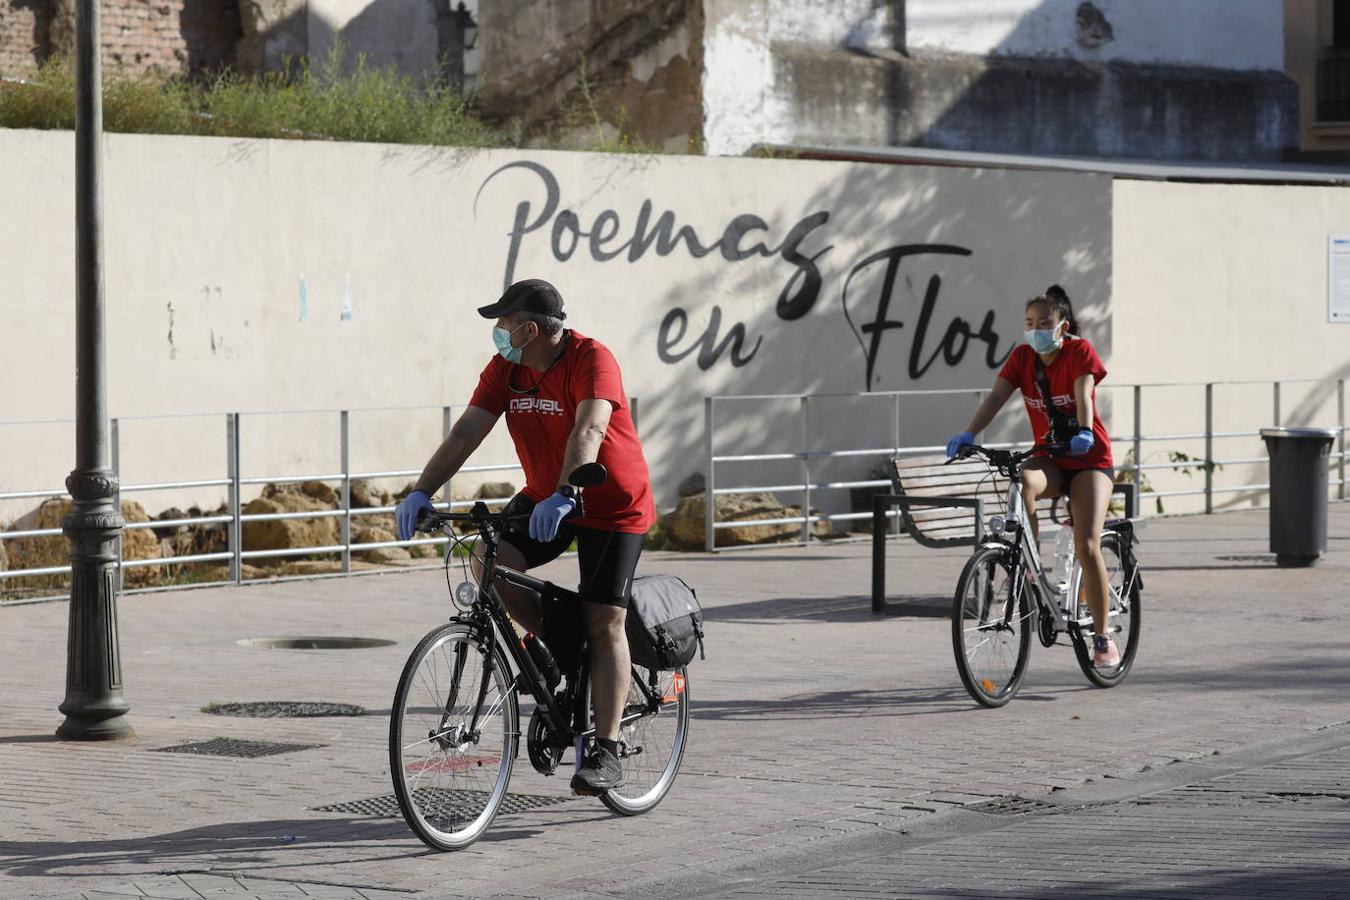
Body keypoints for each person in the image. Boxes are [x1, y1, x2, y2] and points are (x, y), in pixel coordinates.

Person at [395, 278, 656, 793]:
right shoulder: (506, 369)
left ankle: (605, 749)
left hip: (610, 504)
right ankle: (549, 651)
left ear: (530, 329)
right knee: (489, 565)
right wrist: (421, 490)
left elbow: (590, 430)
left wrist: (567, 492)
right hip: (543, 496)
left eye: (504, 324)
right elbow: (466, 432)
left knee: (605, 621)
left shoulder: (591, 359)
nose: (498, 333)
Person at [946, 284, 1120, 668]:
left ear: (1063, 325)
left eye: (1044, 322)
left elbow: (1084, 391)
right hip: (1052, 460)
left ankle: (1103, 635)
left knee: (1087, 543)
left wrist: (1085, 430)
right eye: (1029, 322)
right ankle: (1027, 563)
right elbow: (995, 398)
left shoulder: (1079, 351)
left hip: (1089, 458)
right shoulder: (1023, 358)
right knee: (1021, 482)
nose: (1035, 329)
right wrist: (968, 434)